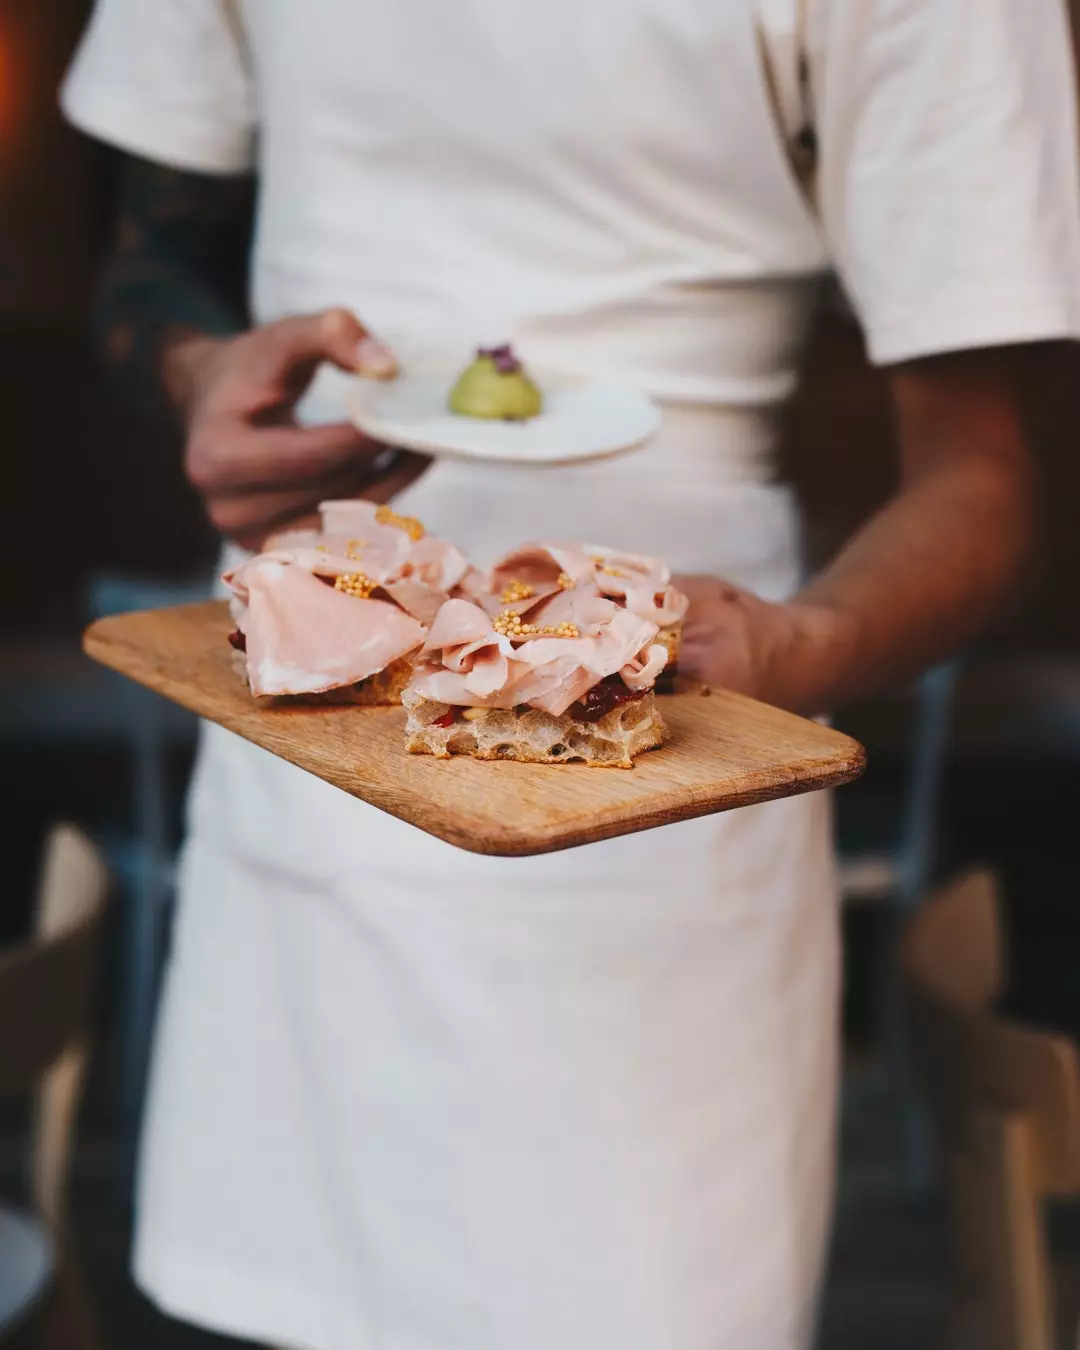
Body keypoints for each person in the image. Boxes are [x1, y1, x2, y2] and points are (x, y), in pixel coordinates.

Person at [62, 2, 1080, 1348]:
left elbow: (987, 477)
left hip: (680, 776)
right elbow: (151, 265)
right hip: (305, 775)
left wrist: (807, 644)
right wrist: (201, 374)